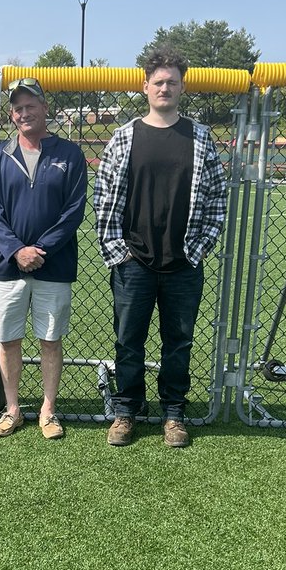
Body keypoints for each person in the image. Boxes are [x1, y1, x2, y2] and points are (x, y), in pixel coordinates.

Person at [94, 48, 226, 448]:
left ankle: (173, 413)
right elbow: (103, 196)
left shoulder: (200, 137)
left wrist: (198, 248)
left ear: (182, 87)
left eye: (172, 82)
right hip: (134, 261)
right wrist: (119, 250)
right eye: (158, 82)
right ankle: (127, 411)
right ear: (145, 86)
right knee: (128, 341)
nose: (165, 88)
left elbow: (218, 200)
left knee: (178, 343)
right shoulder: (124, 135)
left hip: (183, 261)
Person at [0, 77, 88, 440]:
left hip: (53, 265)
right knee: (8, 340)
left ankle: (47, 409)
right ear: (12, 115)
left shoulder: (69, 154)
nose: (25, 113)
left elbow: (73, 212)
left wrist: (40, 250)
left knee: (50, 339)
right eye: (18, 108)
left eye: (31, 106)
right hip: (8, 266)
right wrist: (16, 250)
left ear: (46, 109)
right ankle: (12, 410)